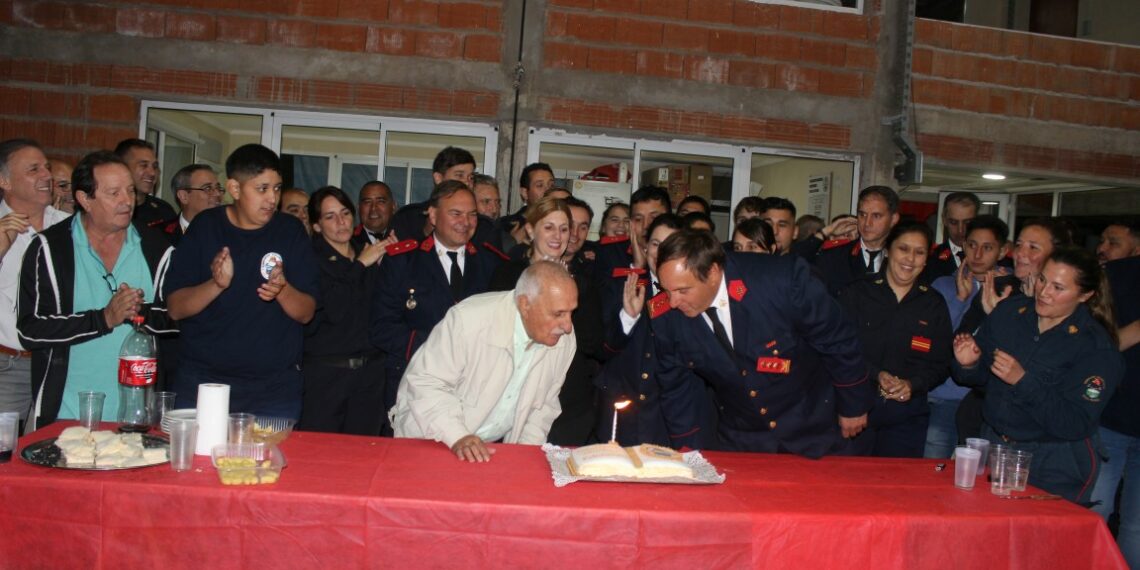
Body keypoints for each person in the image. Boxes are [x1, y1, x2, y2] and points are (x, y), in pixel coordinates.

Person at [651, 230, 872, 457]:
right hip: (744, 436)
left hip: (813, 424)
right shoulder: (667, 317)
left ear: (713, 273)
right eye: (666, 290)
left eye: (682, 290)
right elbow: (676, 388)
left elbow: (837, 338)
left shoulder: (781, 280)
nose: (673, 302)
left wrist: (853, 405)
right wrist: (690, 452)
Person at [951, 247, 1123, 504]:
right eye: (1042, 279)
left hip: (1052, 459)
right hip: (995, 443)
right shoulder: (1011, 313)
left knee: (1040, 540)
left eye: (1058, 287)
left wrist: (1023, 380)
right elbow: (980, 380)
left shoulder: (1094, 347)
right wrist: (968, 364)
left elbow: (1075, 422)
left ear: (1085, 295)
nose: (1044, 292)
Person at [17, 150, 175, 429]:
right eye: (113, 193)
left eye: (129, 190)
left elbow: (177, 321)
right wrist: (104, 319)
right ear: (84, 199)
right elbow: (29, 330)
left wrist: (142, 313)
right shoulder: (50, 248)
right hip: (66, 414)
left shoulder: (157, 247)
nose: (127, 201)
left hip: (138, 417)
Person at [164, 144, 319, 419]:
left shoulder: (290, 231)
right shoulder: (205, 227)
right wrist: (216, 284)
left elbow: (306, 313)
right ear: (235, 189)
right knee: (200, 461)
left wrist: (282, 289)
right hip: (204, 384)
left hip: (272, 391)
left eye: (277, 188)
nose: (272, 198)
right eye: (262, 189)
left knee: (265, 462)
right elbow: (176, 307)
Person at [391, 261, 578, 462]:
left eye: (571, 312)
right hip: (430, 436)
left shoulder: (565, 341)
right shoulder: (469, 320)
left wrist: (523, 457)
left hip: (484, 449)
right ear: (525, 304)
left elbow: (543, 407)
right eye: (558, 314)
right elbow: (425, 383)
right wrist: (457, 435)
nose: (567, 326)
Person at [371, 180, 506, 416]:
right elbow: (381, 326)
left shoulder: (491, 263)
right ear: (433, 216)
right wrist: (437, 348)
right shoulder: (402, 261)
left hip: (473, 389)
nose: (465, 222)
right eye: (456, 213)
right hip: (414, 381)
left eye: (472, 214)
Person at [487, 197, 603, 446]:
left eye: (564, 229)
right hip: (509, 388)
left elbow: (592, 342)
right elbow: (498, 330)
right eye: (549, 227)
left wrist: (564, 288)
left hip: (566, 397)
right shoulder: (507, 273)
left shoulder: (582, 281)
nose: (558, 236)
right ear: (530, 230)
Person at [837, 223, 952, 457]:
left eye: (919, 252)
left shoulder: (933, 304)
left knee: (898, 489)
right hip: (855, 412)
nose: (910, 258)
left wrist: (913, 384)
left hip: (906, 419)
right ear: (888, 250)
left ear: (926, 259)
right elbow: (838, 351)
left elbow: (942, 364)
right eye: (903, 249)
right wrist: (876, 374)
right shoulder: (857, 293)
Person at [300, 186, 388, 435]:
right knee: (323, 458)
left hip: (369, 375)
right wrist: (360, 266)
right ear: (316, 225)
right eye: (330, 217)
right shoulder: (310, 258)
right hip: (327, 376)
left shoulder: (367, 251)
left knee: (365, 456)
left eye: (345, 213)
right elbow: (334, 309)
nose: (341, 222)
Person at [0, 139, 72, 430]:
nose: (46, 176)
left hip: (59, 362)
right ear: (4, 180)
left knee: (51, 453)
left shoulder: (68, 227)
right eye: (34, 169)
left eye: (47, 168)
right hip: (8, 365)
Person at [925, 215, 1010, 458]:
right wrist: (961, 300)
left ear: (1002, 250)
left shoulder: (1012, 288)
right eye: (972, 245)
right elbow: (937, 340)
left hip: (986, 403)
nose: (978, 254)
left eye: (987, 247)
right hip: (944, 398)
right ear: (963, 246)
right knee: (936, 468)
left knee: (977, 477)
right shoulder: (943, 285)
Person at [1093, 253, 1140, 566]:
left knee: (1136, 527)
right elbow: (1096, 346)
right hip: (1112, 414)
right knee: (1096, 511)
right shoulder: (1118, 274)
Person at [814, 186, 900, 297]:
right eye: (862, 215)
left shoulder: (902, 261)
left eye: (876, 216)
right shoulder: (833, 256)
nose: (867, 223)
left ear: (893, 219)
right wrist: (824, 233)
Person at [115, 139, 177, 228]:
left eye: (155, 166)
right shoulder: (107, 209)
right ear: (122, 167)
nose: (152, 173)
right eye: (143, 165)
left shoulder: (164, 211)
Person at [922, 192, 980, 283]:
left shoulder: (994, 259)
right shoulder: (930, 259)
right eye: (953, 222)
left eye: (967, 222)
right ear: (944, 220)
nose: (960, 230)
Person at [163, 164, 222, 245]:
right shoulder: (158, 235)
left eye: (218, 188)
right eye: (208, 188)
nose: (217, 194)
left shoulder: (230, 233)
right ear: (184, 196)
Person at [351, 180, 397, 249]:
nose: (373, 208)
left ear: (393, 206)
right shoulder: (347, 240)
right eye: (367, 202)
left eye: (381, 201)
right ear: (359, 208)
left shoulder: (406, 238)